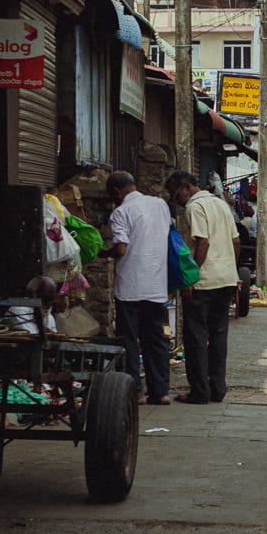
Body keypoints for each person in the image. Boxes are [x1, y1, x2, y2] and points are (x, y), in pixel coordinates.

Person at [166, 170, 241, 404]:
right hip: (225, 279)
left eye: (175, 193)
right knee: (219, 335)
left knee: (196, 336)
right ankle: (217, 388)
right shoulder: (220, 204)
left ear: (186, 187)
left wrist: (191, 276)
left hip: (204, 282)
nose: (175, 199)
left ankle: (199, 391)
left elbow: (203, 242)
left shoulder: (194, 207)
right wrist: (231, 268)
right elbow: (235, 241)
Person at [102, 171, 174, 405]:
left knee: (130, 340)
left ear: (116, 192)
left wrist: (105, 253)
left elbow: (121, 249)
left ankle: (136, 391)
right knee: (156, 339)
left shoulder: (121, 212)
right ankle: (160, 391)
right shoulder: (160, 205)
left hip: (130, 288)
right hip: (155, 285)